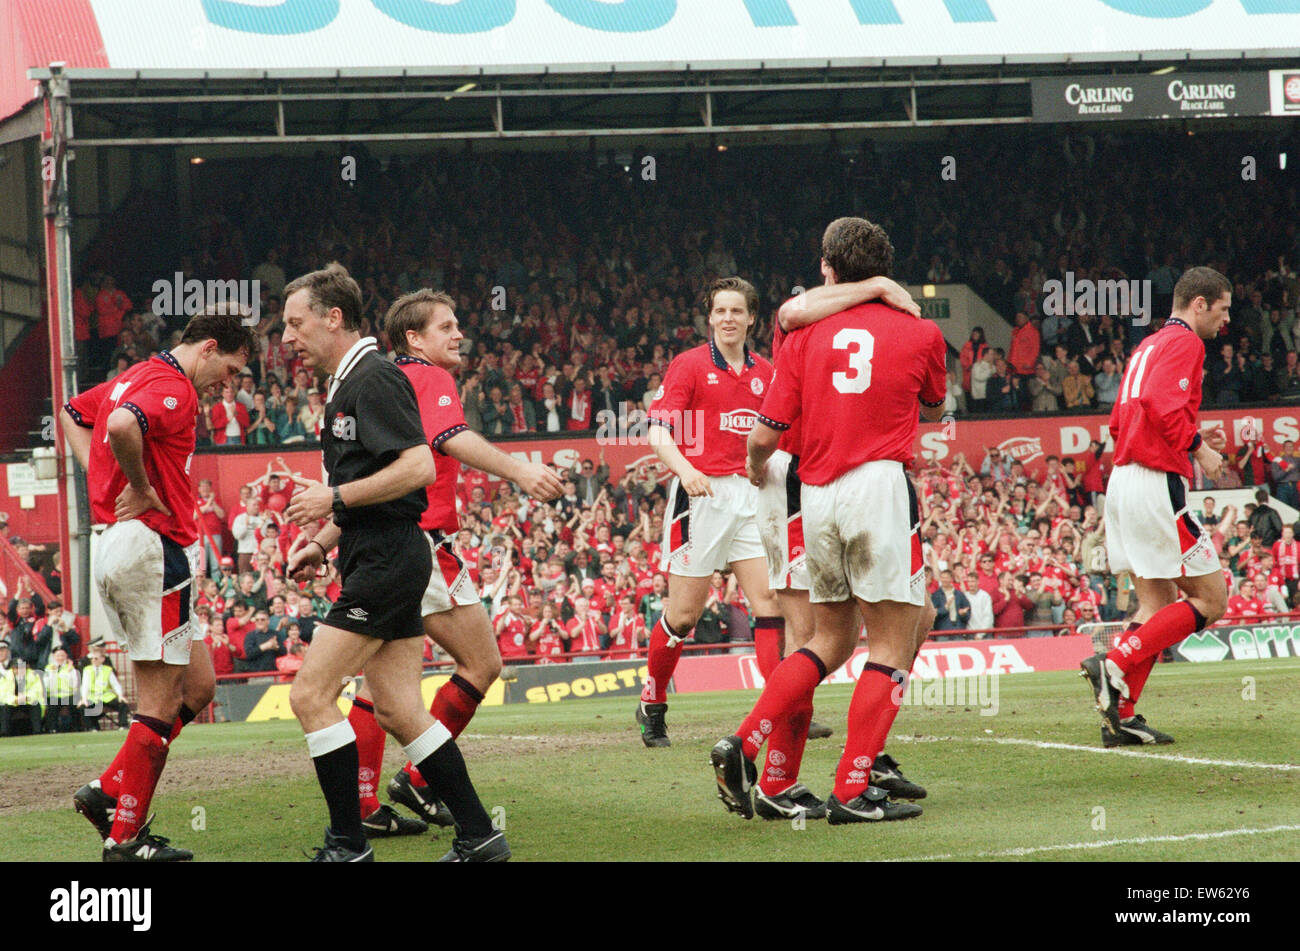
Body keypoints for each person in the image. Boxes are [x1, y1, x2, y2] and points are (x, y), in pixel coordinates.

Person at [713, 215, 946, 824]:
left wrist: (752, 463)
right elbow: (938, 400)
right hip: (878, 483)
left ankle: (745, 741)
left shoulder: (801, 336)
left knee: (827, 638)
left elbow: (766, 433)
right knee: (895, 640)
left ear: (827, 270)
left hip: (811, 491)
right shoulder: (918, 332)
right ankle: (851, 788)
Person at [280, 264, 506, 862]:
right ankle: (480, 836)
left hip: (387, 559)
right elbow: (375, 481)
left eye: (295, 323)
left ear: (334, 318)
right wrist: (324, 540)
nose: (286, 338)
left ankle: (347, 844)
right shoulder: (349, 383)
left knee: (310, 694)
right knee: (400, 709)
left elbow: (417, 469)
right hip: (382, 555)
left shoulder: (373, 377)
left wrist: (334, 499)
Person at [337, 289, 562, 841]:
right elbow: (450, 438)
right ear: (414, 339)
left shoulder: (376, 380)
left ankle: (365, 804)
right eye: (447, 326)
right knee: (481, 665)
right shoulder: (426, 376)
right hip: (422, 542)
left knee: (379, 684)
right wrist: (521, 472)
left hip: (381, 541)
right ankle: (419, 780)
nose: (458, 333)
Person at [60, 307, 253, 860]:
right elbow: (119, 427)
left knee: (198, 689)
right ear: (210, 347)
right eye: (232, 370)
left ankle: (106, 792)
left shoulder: (132, 376)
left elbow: (75, 413)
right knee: (160, 701)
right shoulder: (175, 388)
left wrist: (104, 473)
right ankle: (124, 838)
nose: (229, 384)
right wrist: (137, 486)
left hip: (128, 546)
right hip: (153, 545)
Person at [1082, 267, 1232, 749]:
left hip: (1124, 478)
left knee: (1154, 604)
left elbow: (1121, 416)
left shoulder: (1148, 344)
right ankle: (1114, 663)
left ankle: (1120, 716)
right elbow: (1159, 402)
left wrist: (1178, 435)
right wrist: (1198, 447)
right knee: (1212, 599)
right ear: (1200, 304)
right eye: (1224, 308)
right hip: (1154, 481)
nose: (1226, 320)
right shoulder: (1187, 342)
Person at [634, 277, 782, 748]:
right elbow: (658, 432)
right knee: (683, 616)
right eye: (720, 311)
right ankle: (652, 702)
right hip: (702, 499)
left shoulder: (767, 371)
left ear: (751, 318)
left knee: (770, 604)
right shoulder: (689, 365)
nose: (728, 319)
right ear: (710, 317)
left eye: (737, 311)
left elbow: (782, 433)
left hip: (753, 495)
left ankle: (779, 707)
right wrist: (686, 470)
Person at [79, 644, 130, 731]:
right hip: (93, 697)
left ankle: (123, 725)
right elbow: (85, 685)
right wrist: (84, 698)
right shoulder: (87, 669)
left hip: (106, 696)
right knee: (83, 707)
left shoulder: (107, 669)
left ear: (102, 659)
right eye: (92, 658)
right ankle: (91, 728)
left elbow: (115, 684)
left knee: (122, 704)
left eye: (96, 658)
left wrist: (120, 695)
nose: (93, 660)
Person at [0, 658, 44, 736]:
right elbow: (3, 694)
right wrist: (15, 700)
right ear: (12, 669)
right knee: (4, 707)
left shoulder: (33, 675)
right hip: (12, 703)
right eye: (17, 668)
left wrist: (27, 697)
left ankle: (37, 731)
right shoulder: (5, 677)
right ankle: (4, 732)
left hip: (27, 702)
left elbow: (37, 690)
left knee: (35, 705)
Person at [43, 647, 80, 734]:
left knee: (74, 704)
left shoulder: (70, 668)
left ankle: (76, 727)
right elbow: (46, 684)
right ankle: (52, 728)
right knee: (52, 706)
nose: (60, 658)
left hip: (68, 694)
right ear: (54, 657)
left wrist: (70, 671)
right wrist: (53, 673)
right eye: (58, 656)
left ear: (66, 656)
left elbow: (74, 684)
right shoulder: (48, 668)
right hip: (54, 695)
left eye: (62, 655)